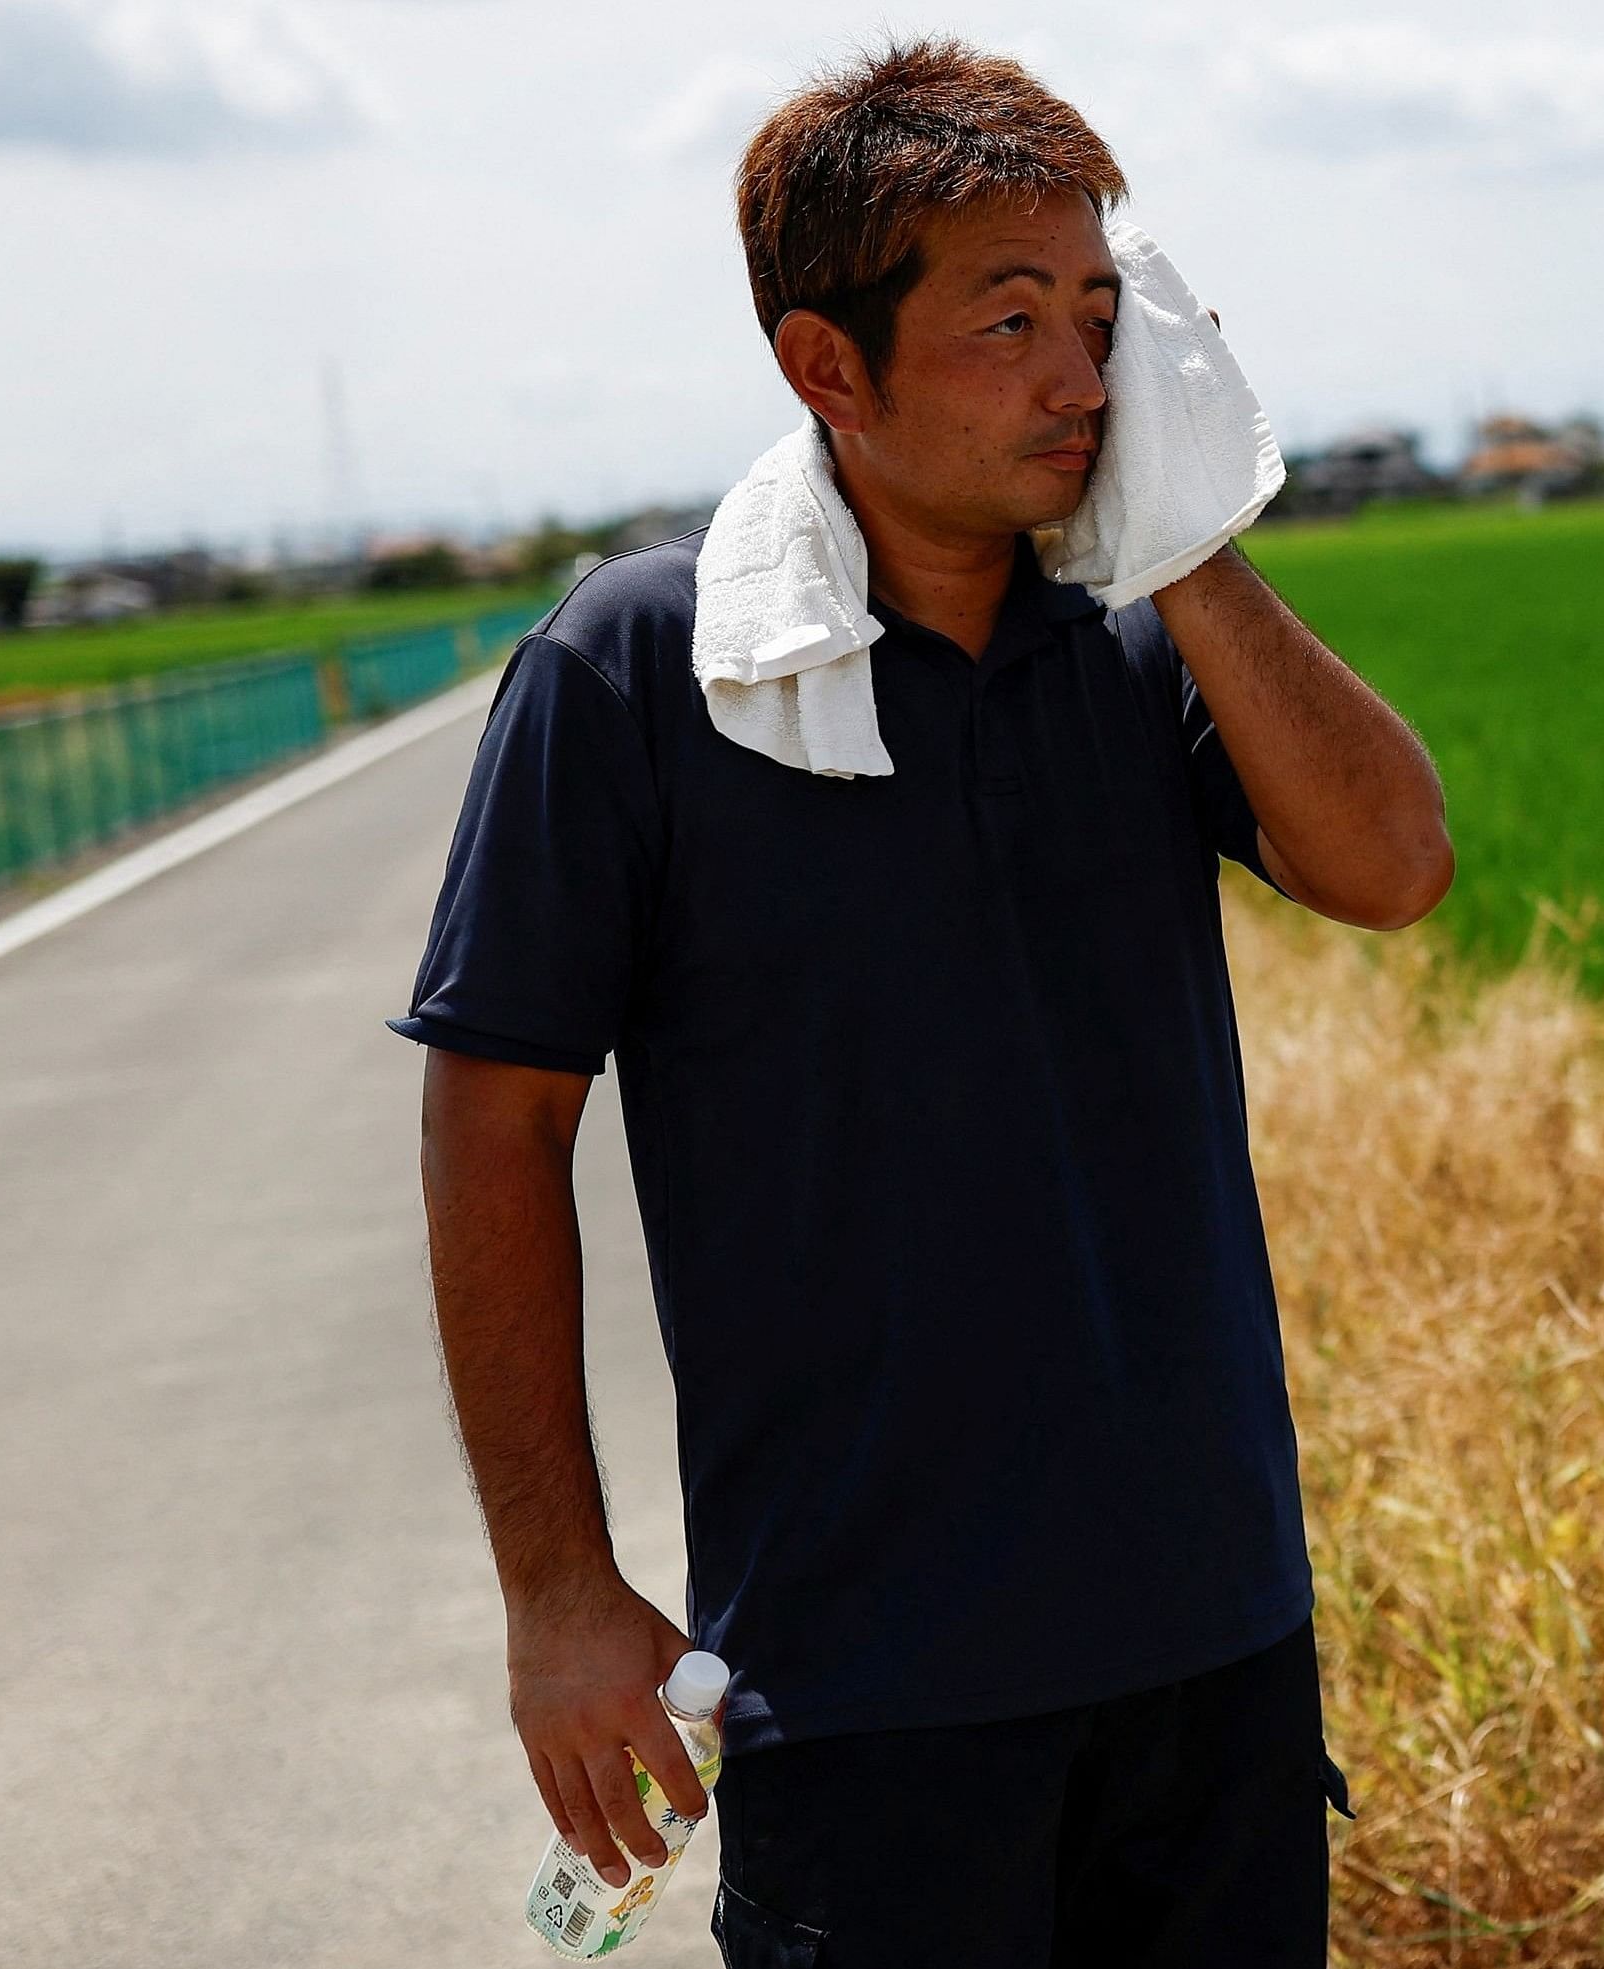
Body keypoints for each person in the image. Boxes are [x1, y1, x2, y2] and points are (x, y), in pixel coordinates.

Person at [390, 37, 1451, 1966]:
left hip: (1210, 1637)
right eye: (1012, 319)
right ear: (827, 367)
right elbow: (496, 1124)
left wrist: (1193, 545)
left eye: (1105, 316)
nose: (1079, 377)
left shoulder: (1136, 634)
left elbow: (1391, 867)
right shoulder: (647, 671)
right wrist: (558, 1586)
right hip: (867, 1680)